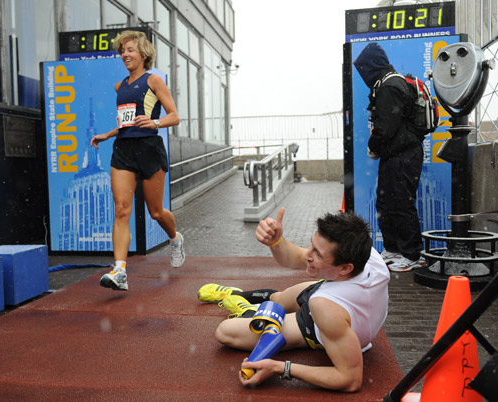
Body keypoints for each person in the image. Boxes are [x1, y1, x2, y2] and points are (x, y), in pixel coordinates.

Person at [197, 208, 390, 391]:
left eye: (317, 253)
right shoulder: (368, 256)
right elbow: (296, 257)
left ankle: (247, 310)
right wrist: (276, 242)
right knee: (278, 298)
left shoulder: (325, 307)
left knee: (225, 332)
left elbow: (351, 380)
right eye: (312, 245)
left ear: (345, 268)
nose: (307, 254)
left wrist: (280, 368)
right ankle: (236, 293)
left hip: (324, 320)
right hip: (330, 294)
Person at [91, 30, 185, 291]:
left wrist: (155, 122)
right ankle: (120, 271)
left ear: (143, 54)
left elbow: (174, 116)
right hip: (123, 150)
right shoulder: (119, 87)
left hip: (149, 149)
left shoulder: (153, 80)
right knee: (122, 209)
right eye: (122, 51)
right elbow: (127, 123)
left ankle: (175, 239)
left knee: (156, 212)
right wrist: (108, 134)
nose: (125, 54)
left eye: (130, 50)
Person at [353, 42, 426, 272]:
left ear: (371, 66)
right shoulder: (391, 82)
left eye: (364, 69)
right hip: (398, 154)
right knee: (387, 203)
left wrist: (373, 146)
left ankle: (413, 255)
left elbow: (385, 128)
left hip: (403, 155)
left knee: (401, 204)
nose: (363, 74)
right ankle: (394, 249)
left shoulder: (389, 86)